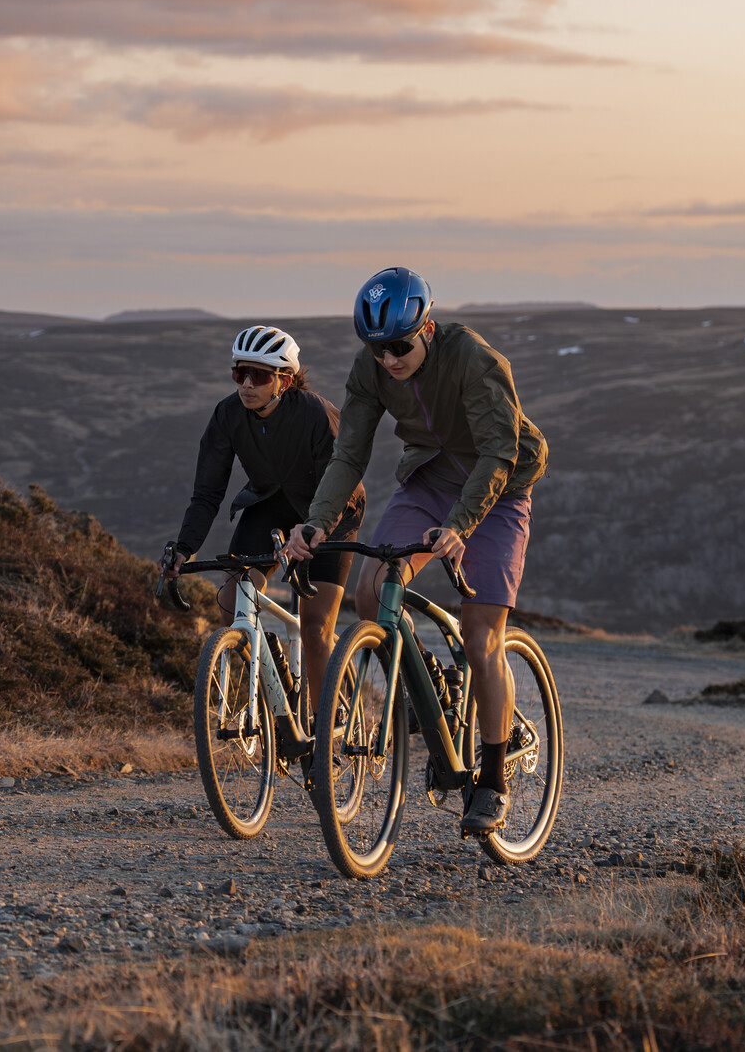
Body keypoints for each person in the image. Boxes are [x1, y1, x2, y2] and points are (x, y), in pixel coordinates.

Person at [287, 268, 547, 834]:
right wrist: (315, 522)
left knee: (481, 639)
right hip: (428, 480)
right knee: (369, 591)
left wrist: (460, 525)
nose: (389, 360)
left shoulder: (474, 359)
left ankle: (494, 777)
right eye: (377, 350)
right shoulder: (372, 369)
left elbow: (499, 452)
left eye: (399, 347)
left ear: (427, 327)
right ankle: (425, 678)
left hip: (498, 489)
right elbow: (348, 456)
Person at [160, 326, 365, 745]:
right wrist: (184, 548)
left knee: (315, 625)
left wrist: (313, 528)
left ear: (284, 380)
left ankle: (326, 722)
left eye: (259, 375)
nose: (247, 385)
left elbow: (340, 481)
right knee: (231, 602)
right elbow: (207, 492)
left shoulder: (314, 414)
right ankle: (272, 678)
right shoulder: (227, 415)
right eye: (240, 374)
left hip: (330, 512)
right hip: (270, 505)